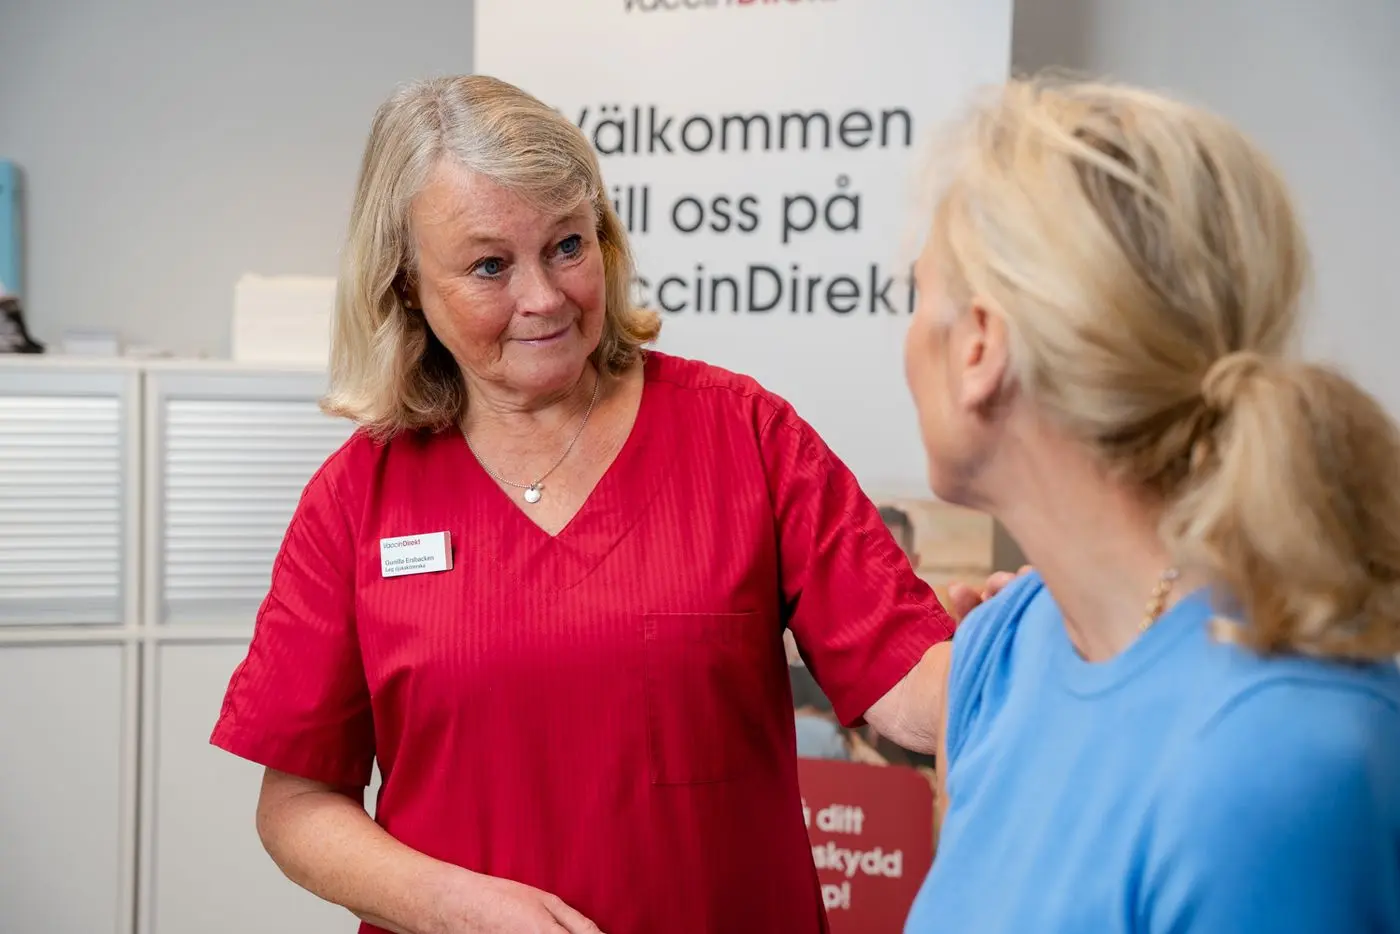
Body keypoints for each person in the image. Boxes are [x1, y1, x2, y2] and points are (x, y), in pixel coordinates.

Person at [208, 74, 1004, 934]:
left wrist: (1023, 648)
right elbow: (296, 805)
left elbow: (906, 683)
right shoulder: (357, 499)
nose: (544, 298)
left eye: (566, 246)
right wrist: (450, 907)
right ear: (406, 283)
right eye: (489, 266)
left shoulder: (744, 436)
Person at [901, 76, 1400, 933]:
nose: (907, 342)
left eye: (915, 298)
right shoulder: (1001, 647)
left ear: (980, 346)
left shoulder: (1280, 763)